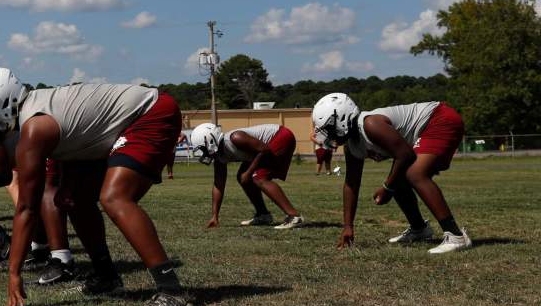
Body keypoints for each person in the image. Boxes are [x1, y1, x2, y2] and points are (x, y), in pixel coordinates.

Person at [0, 69, 194, 306]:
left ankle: (172, 292)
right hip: (121, 123)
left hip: (151, 112)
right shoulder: (35, 112)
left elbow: (27, 207)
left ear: (3, 105)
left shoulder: (35, 127)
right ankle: (105, 276)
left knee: (114, 197)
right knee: (72, 200)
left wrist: (14, 273)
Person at [313, 93, 472, 254]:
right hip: (428, 125)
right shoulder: (352, 145)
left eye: (329, 129)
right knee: (398, 177)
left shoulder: (370, 124)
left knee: (414, 174)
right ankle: (419, 229)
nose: (328, 135)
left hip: (439, 118)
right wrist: (348, 226)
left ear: (342, 119)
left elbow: (405, 155)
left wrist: (387, 188)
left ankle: (456, 236)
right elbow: (351, 184)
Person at [190, 122, 304, 229]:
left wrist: (249, 172)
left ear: (210, 140)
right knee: (243, 177)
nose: (203, 153)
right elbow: (218, 184)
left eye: (203, 148)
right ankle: (263, 214)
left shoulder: (235, 138)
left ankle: (293, 216)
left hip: (281, 136)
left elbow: (264, 150)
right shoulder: (220, 157)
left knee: (258, 177)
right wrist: (215, 216)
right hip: (266, 145)